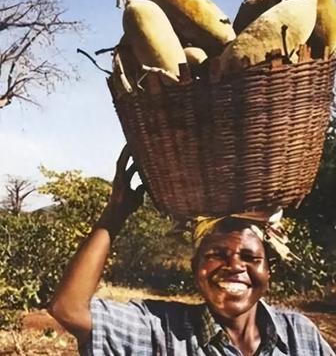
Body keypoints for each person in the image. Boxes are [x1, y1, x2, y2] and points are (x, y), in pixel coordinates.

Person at [48, 146, 334, 355]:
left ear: (269, 270)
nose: (234, 265)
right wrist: (115, 214)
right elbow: (68, 309)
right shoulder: (161, 331)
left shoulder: (299, 336)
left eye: (250, 257)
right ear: (195, 266)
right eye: (216, 254)